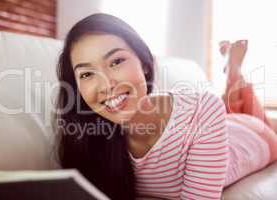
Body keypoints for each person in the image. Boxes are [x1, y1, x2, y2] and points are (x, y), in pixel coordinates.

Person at [53, 13, 277, 200]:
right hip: (209, 125)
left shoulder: (203, 107)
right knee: (229, 105)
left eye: (116, 61)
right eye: (87, 74)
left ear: (145, 65)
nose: (106, 85)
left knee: (241, 107)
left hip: (253, 135)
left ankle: (233, 68)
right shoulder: (87, 141)